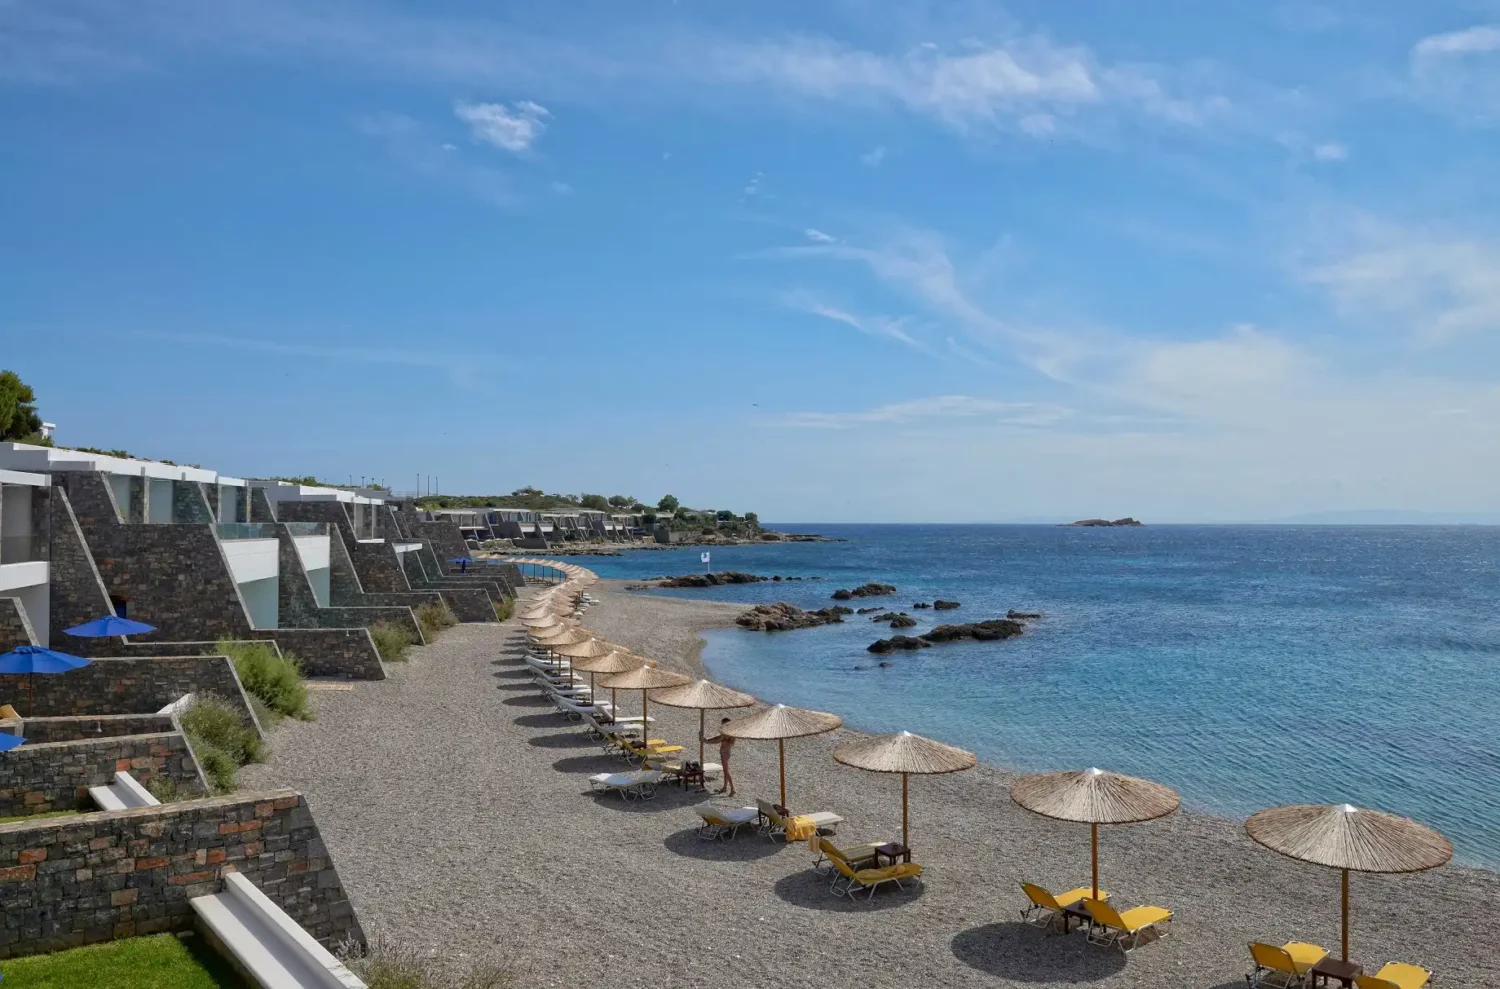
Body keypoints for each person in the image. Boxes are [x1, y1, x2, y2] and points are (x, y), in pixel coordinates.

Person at [702, 716, 736, 796]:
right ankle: (724, 787)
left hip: (725, 753)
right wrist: (707, 739)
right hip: (726, 752)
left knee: (726, 772)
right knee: (725, 771)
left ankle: (733, 789)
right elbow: (717, 738)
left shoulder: (726, 734)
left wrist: (706, 741)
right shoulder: (730, 732)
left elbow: (717, 740)